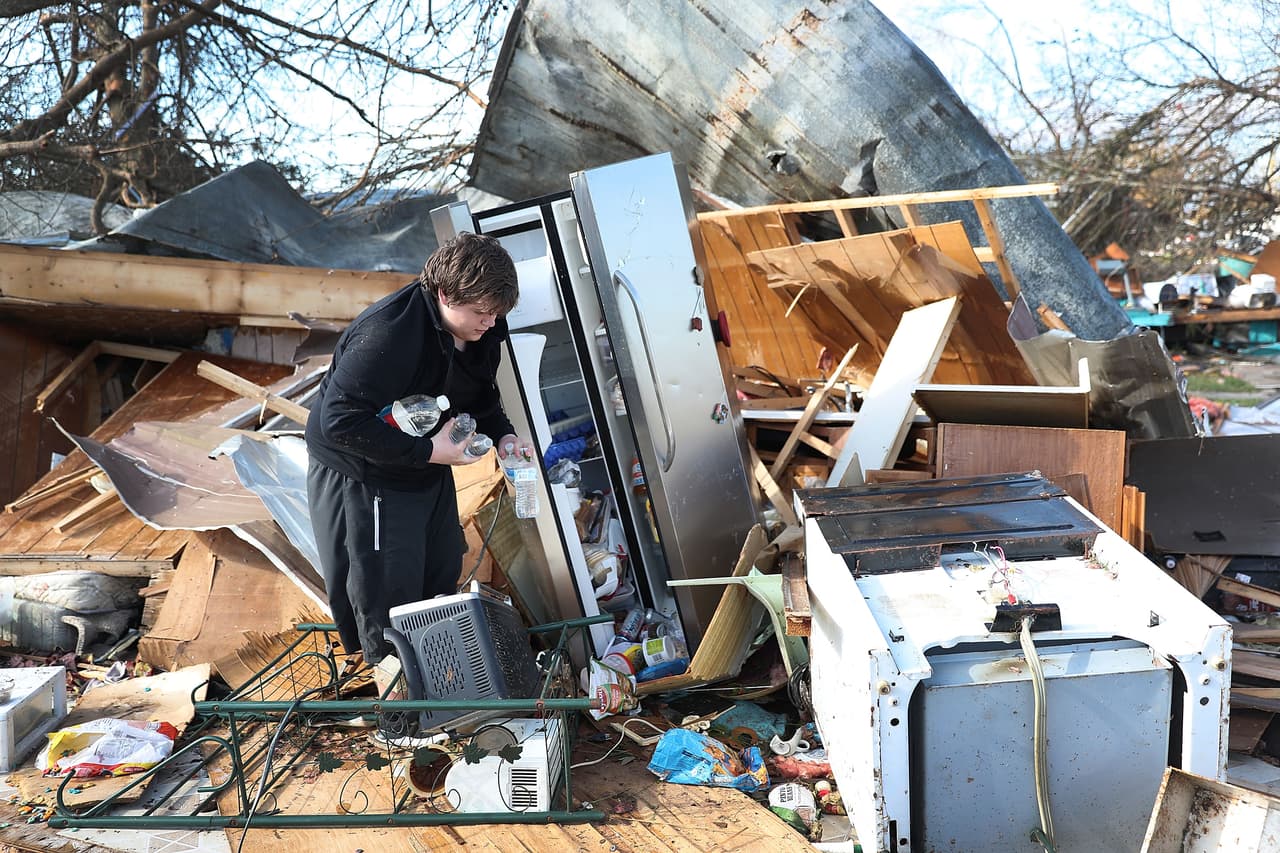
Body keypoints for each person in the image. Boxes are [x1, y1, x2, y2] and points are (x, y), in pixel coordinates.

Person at [305, 232, 534, 676]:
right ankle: (401, 711)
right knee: (389, 589)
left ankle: (443, 682)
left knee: (443, 564)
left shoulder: (481, 327)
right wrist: (430, 449)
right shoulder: (388, 334)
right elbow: (339, 423)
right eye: (481, 312)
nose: (490, 323)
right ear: (445, 294)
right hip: (364, 470)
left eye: (497, 313)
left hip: (423, 459)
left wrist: (504, 437)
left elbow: (480, 395)